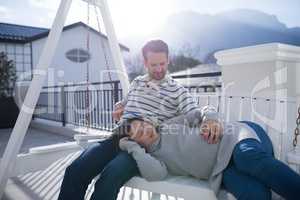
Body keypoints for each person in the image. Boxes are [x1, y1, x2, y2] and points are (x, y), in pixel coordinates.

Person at [57, 39, 222, 200]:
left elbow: (197, 112)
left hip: (141, 147)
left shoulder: (177, 90)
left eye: (162, 64)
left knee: (110, 176)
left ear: (168, 60)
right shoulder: (137, 82)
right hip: (115, 138)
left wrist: (211, 119)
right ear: (145, 63)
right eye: (153, 65)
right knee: (75, 170)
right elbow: (125, 106)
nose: (159, 69)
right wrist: (119, 109)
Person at [119, 112, 300, 200]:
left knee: (246, 158)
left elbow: (202, 111)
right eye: (139, 134)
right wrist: (131, 147)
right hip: (223, 169)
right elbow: (156, 175)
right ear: (136, 143)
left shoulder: (170, 125)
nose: (145, 131)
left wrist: (211, 119)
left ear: (147, 121)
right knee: (255, 194)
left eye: (143, 126)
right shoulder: (153, 157)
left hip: (235, 137)